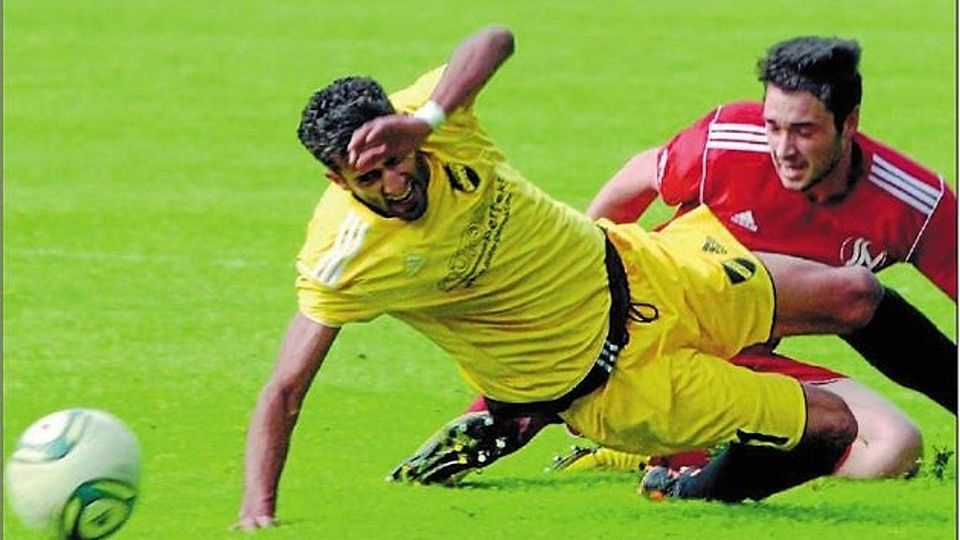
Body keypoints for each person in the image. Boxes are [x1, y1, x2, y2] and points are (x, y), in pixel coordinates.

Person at [236, 27, 907, 529]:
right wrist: (256, 509)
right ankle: (669, 479)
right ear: (336, 180)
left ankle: (524, 416)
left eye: (395, 157)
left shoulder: (429, 124)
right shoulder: (345, 257)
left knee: (853, 293)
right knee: (835, 427)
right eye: (370, 176)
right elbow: (286, 388)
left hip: (644, 270)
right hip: (614, 384)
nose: (395, 179)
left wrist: (425, 119)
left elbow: (495, 38)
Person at [391, 35, 955, 490]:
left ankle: (673, 468)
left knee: (896, 447)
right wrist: (577, 293)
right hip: (646, 328)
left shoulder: (914, 204)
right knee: (547, 392)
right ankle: (547, 419)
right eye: (773, 125)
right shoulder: (728, 142)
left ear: (849, 123)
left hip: (740, 361)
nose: (783, 149)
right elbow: (630, 185)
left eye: (804, 131)